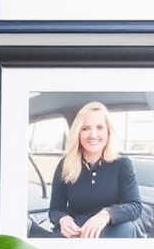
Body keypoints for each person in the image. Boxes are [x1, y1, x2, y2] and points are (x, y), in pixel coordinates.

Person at [47, 101, 144, 238]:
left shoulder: (122, 164)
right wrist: (63, 219)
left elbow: (135, 207)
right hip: (77, 234)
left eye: (99, 127)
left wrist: (106, 214)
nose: (93, 135)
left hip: (113, 232)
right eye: (85, 128)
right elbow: (55, 210)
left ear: (108, 132)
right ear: (78, 133)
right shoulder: (65, 165)